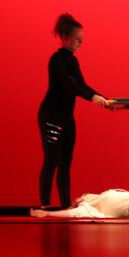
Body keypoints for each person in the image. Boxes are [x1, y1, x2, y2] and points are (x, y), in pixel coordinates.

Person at [38, 13, 110, 209]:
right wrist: (92, 97)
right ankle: (45, 206)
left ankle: (65, 206)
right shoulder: (57, 60)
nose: (81, 43)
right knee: (51, 159)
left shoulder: (72, 61)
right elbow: (69, 85)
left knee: (65, 162)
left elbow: (81, 85)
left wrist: (104, 99)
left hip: (66, 117)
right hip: (52, 117)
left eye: (82, 39)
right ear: (65, 37)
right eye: (77, 39)